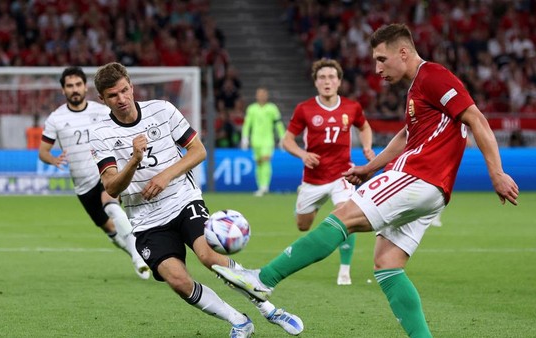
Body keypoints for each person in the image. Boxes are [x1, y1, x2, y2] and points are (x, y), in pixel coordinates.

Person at [213, 23, 519, 337]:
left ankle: (263, 280)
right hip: (432, 190)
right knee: (387, 264)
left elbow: (476, 118)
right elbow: (406, 136)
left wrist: (496, 172)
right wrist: (370, 166)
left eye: (381, 59)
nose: (377, 69)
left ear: (403, 52)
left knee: (342, 216)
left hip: (417, 175)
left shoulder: (434, 76)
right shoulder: (417, 88)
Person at [89, 62, 304, 338]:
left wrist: (165, 176)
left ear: (131, 86)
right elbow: (112, 187)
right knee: (177, 280)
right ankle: (239, 321)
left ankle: (270, 310)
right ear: (102, 99)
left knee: (209, 256)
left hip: (182, 199)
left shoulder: (162, 110)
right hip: (144, 219)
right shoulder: (101, 134)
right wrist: (133, 160)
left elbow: (197, 150)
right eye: (112, 95)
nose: (121, 99)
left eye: (123, 91)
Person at [38, 66, 151, 280]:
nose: (75, 89)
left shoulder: (101, 110)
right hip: (81, 183)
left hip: (103, 171)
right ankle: (135, 255)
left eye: (78, 84)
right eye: (70, 86)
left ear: (85, 87)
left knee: (111, 203)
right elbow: (43, 151)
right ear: (63, 90)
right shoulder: (56, 119)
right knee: (109, 229)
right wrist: (52, 159)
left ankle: (139, 257)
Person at [282, 58, 375, 285]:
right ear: (316, 83)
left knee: (346, 215)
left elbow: (364, 126)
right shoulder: (304, 109)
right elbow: (287, 140)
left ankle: (344, 270)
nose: (327, 81)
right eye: (322, 77)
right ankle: (309, 204)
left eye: (332, 77)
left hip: (342, 174)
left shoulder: (351, 107)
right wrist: (303, 155)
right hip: (313, 179)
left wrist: (367, 147)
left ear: (339, 81)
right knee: (303, 225)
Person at [241, 87, 286, 196]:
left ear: (267, 96)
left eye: (263, 94)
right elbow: (247, 124)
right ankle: (260, 186)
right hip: (255, 140)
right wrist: (245, 137)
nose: (261, 96)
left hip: (267, 140)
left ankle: (265, 186)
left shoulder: (272, 108)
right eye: (259, 94)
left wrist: (282, 137)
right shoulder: (251, 109)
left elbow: (278, 124)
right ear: (256, 96)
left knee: (266, 161)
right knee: (258, 163)